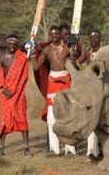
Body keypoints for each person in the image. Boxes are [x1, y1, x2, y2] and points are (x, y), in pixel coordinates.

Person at [29, 26, 76, 157]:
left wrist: (75, 45)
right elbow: (37, 66)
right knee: (51, 117)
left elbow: (75, 59)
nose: (54, 35)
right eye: (52, 34)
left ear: (60, 35)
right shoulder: (47, 49)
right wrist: (32, 52)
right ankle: (54, 149)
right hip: (52, 82)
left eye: (56, 33)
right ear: (49, 35)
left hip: (65, 80)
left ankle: (70, 149)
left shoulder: (67, 46)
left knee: (67, 115)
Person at [0, 34, 31, 157]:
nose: (12, 46)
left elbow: (24, 76)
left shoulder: (22, 57)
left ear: (17, 45)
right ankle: (1, 147)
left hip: (18, 94)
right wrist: (3, 90)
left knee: (22, 118)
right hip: (5, 95)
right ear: (6, 44)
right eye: (10, 44)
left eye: (15, 44)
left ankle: (26, 148)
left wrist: (15, 91)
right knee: (4, 120)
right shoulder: (2, 58)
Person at [76, 29, 102, 161]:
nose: (94, 39)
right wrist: (73, 52)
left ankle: (102, 150)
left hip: (103, 89)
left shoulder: (105, 52)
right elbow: (77, 62)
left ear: (100, 38)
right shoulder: (88, 53)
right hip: (90, 89)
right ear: (89, 40)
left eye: (97, 37)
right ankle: (91, 151)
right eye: (92, 37)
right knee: (92, 120)